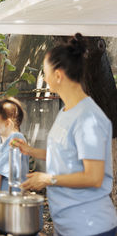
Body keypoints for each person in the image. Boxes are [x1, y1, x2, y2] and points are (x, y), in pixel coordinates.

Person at [11, 33, 117, 236]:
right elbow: (65, 155)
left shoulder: (89, 118)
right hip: (68, 225)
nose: (44, 76)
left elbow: (93, 177)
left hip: (90, 226)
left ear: (58, 75)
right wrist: (30, 150)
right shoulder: (66, 111)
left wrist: (48, 179)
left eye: (45, 71)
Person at [0, 97, 29, 214]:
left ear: (7, 123)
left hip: (7, 210)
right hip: (1, 208)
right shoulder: (1, 147)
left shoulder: (16, 139)